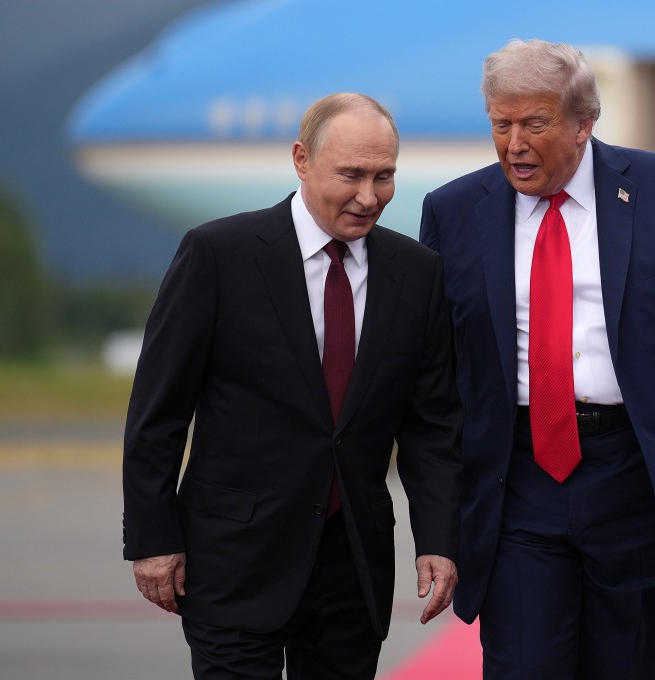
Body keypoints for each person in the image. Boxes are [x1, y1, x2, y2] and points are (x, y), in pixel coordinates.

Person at [419, 39, 655, 679]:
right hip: (516, 481)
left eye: (534, 124)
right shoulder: (453, 211)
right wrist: (437, 523)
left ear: (583, 124)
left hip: (636, 477)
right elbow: (433, 378)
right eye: (501, 124)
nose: (514, 143)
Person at [123, 92, 462, 680]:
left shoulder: (417, 273)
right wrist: (152, 539)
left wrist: (438, 539)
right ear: (301, 160)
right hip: (233, 559)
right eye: (351, 175)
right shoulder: (218, 255)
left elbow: (430, 428)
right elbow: (158, 412)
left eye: (385, 177)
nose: (368, 196)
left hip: (351, 568)